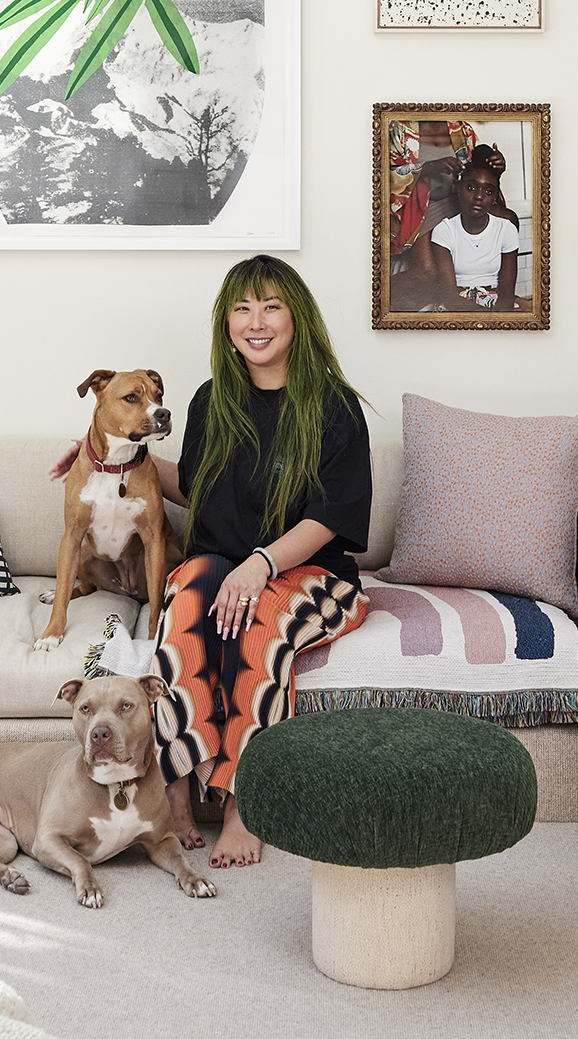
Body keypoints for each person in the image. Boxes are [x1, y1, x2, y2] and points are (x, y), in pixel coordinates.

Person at [148, 255, 372, 868]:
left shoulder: (334, 406)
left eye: (271, 305)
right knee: (186, 597)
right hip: (224, 565)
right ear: (227, 325)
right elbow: (195, 488)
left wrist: (261, 564)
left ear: (296, 317)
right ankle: (175, 784)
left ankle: (246, 802)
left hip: (314, 574)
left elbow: (332, 516)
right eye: (242, 309)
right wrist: (110, 458)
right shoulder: (211, 400)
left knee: (258, 622)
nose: (257, 321)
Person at [419, 147, 519, 312]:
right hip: (456, 304)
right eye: (471, 188)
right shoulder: (444, 230)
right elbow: (449, 297)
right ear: (458, 190)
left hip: (493, 302)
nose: (479, 196)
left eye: (488, 191)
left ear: (495, 198)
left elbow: (507, 297)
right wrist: (485, 319)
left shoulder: (506, 228)